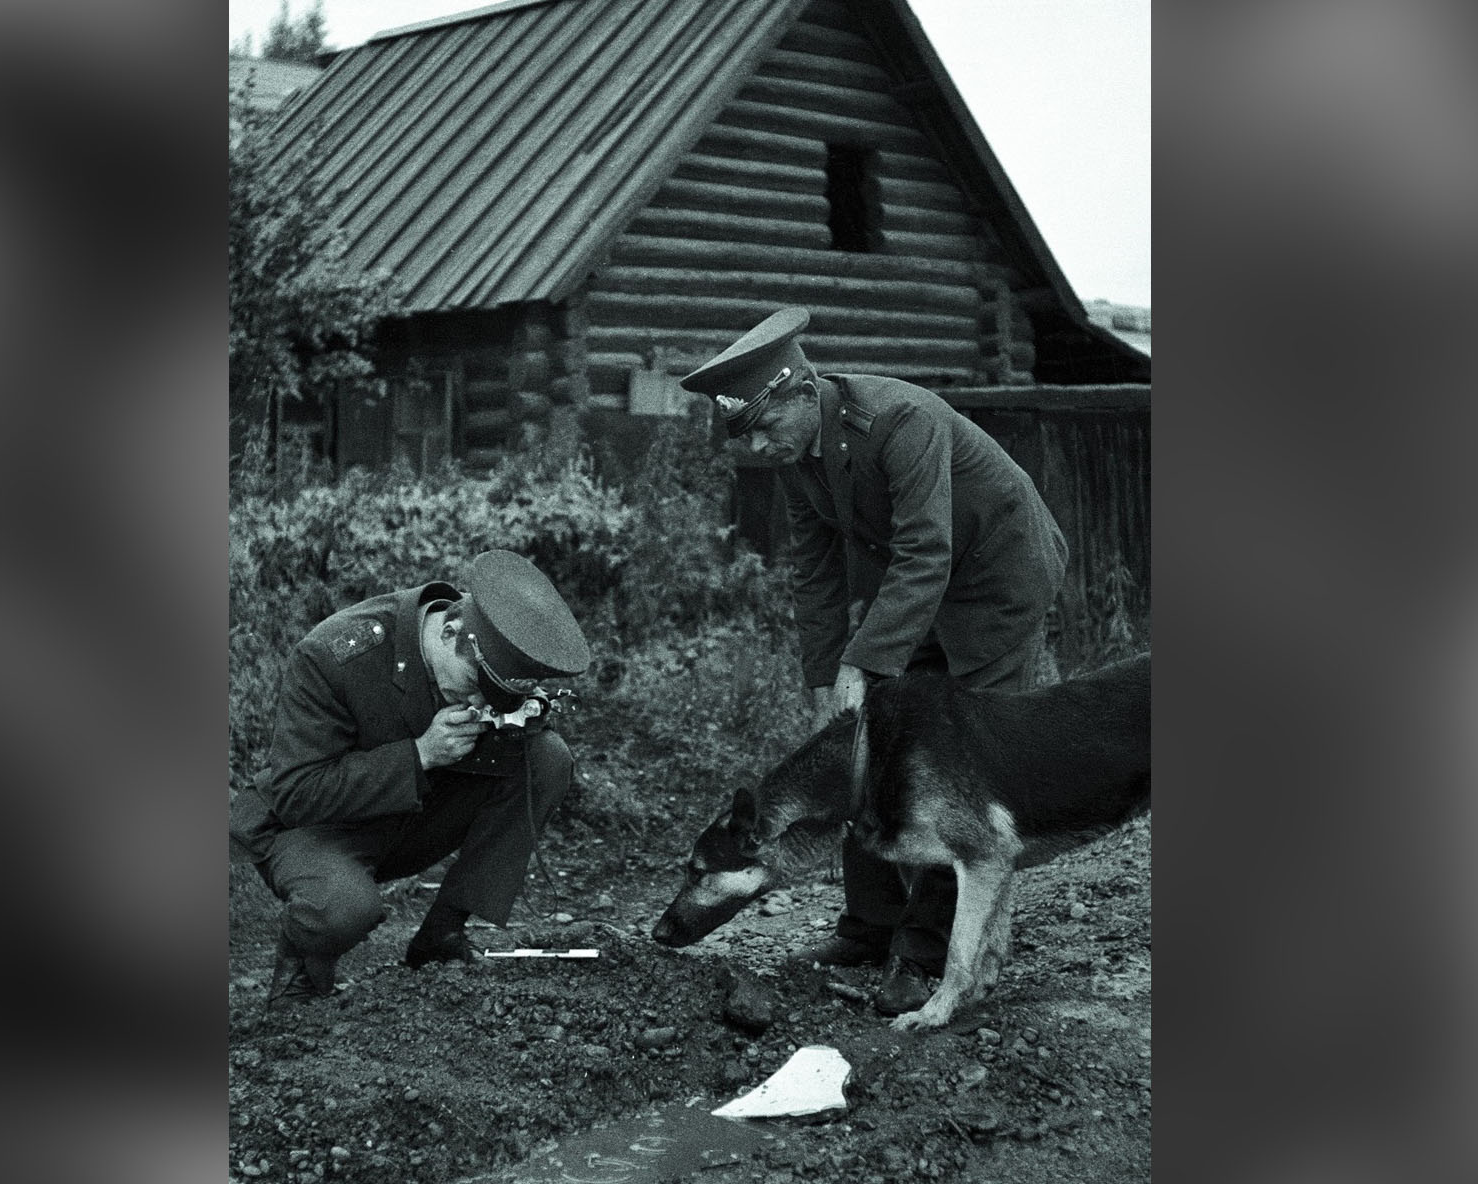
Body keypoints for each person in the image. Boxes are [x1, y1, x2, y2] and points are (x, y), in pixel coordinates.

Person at [678, 307, 1068, 1016]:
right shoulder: (799, 458)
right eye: (747, 436)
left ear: (802, 390)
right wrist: (828, 675)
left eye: (765, 427)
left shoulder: (899, 419)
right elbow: (816, 572)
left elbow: (926, 549)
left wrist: (866, 661)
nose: (759, 447)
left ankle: (925, 959)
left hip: (998, 580)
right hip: (922, 590)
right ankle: (869, 927)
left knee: (960, 769)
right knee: (862, 745)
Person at [230, 549, 590, 1007]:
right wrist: (420, 754)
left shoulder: (487, 640)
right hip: (314, 827)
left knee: (546, 759)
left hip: (410, 815)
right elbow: (296, 792)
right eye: (475, 686)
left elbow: (521, 731)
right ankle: (300, 976)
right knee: (344, 908)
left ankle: (441, 936)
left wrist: (525, 714)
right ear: (450, 631)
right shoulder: (334, 656)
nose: (478, 701)